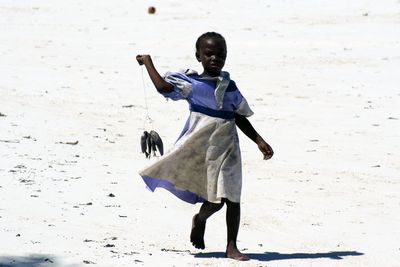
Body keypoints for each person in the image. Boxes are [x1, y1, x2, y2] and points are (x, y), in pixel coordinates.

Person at [136, 32, 273, 261]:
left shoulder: (230, 87)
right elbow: (163, 88)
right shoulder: (192, 86)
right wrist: (149, 62)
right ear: (198, 56)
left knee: (233, 198)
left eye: (221, 55)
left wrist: (259, 141)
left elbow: (237, 116)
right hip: (203, 150)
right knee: (214, 201)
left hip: (229, 150)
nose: (215, 58)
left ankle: (232, 247)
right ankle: (200, 219)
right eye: (209, 54)